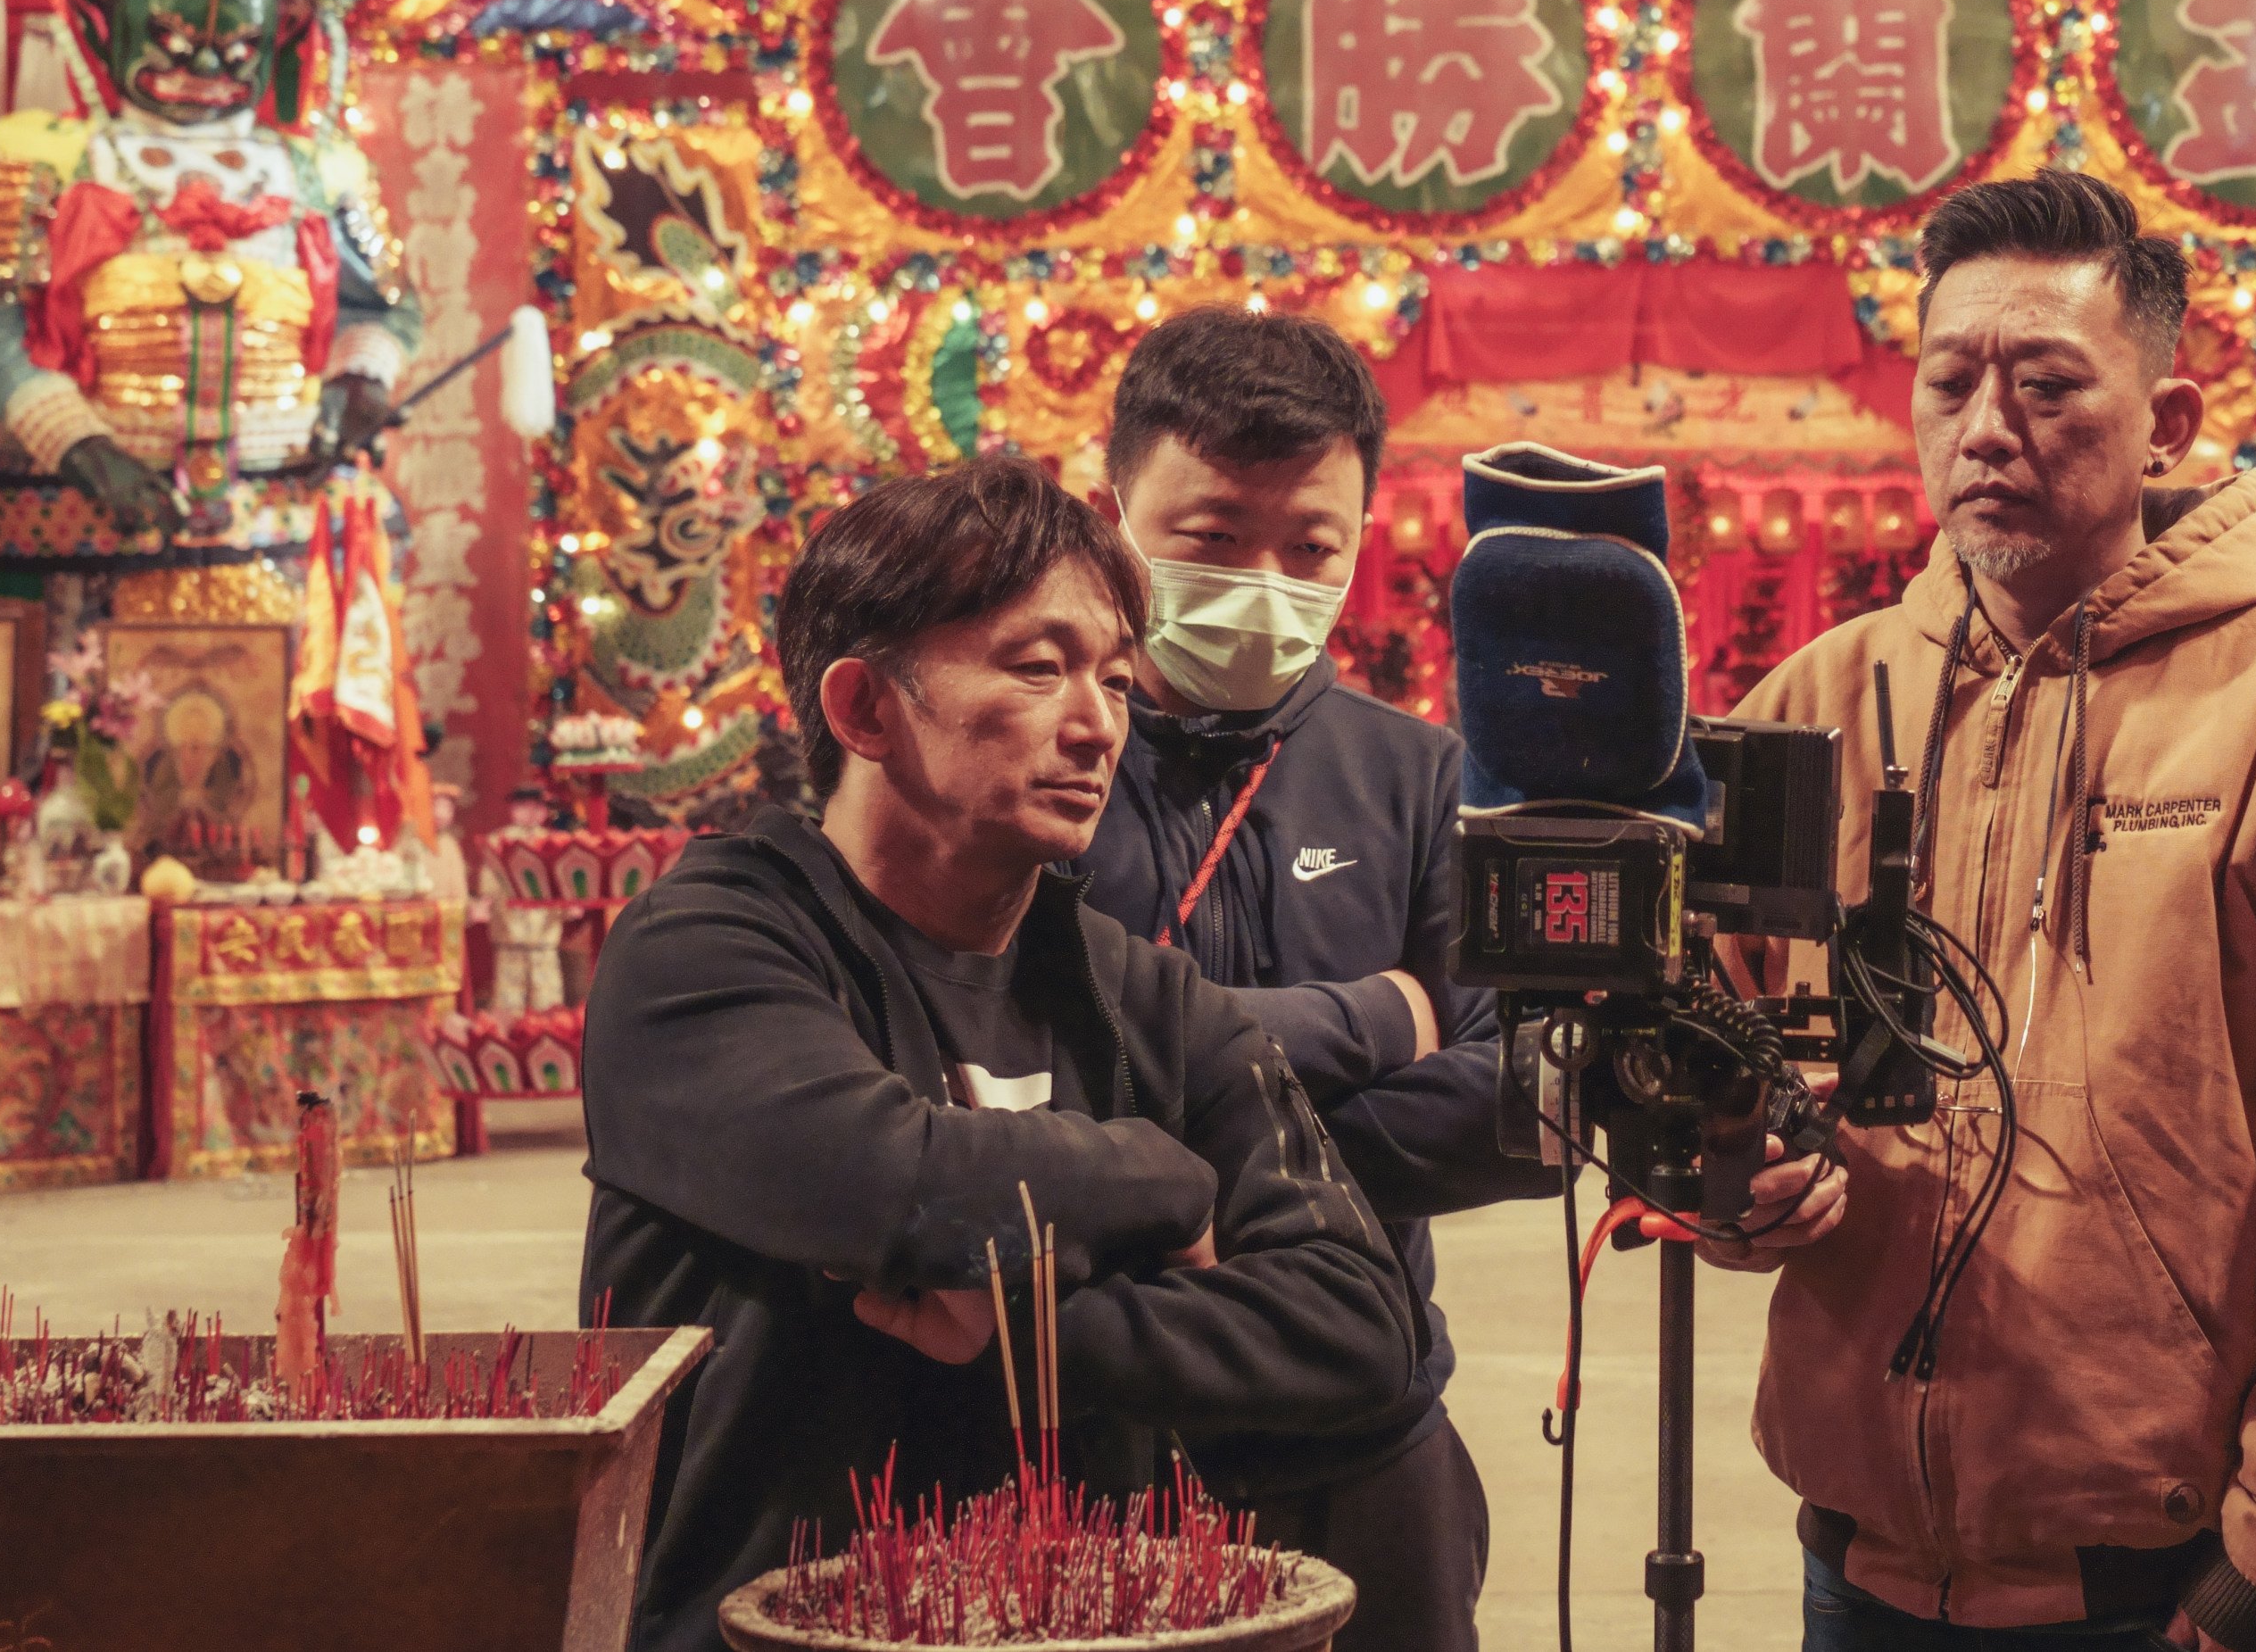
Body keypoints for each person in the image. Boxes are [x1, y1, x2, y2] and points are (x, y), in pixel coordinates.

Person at [1713, 169, 2256, 1651]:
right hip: (1862, 1568)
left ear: (2175, 419)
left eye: (2048, 384)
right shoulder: (1826, 704)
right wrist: (1734, 1177)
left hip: (2172, 1586)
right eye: (1949, 380)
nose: (1987, 429)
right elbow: (1711, 1036)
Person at [581, 455, 1421, 1652]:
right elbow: (890, 1183)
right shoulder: (709, 950)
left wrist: (1041, 1333)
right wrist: (1161, 1178)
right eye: (1037, 668)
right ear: (865, 707)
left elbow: (1357, 1325)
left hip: (1082, 1625)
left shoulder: (1136, 993)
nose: (1097, 726)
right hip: (761, 1627)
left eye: (1116, 681)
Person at [1079, 306, 1559, 1648]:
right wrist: (1379, 1016)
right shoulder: (1046, 762)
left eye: (1310, 547)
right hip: (1090, 1428)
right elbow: (1009, 1061)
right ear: (1113, 508)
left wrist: (1170, 1150)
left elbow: (1519, 1097)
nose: (1262, 579)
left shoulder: (1422, 778)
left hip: (1363, 1433)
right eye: (1212, 536)